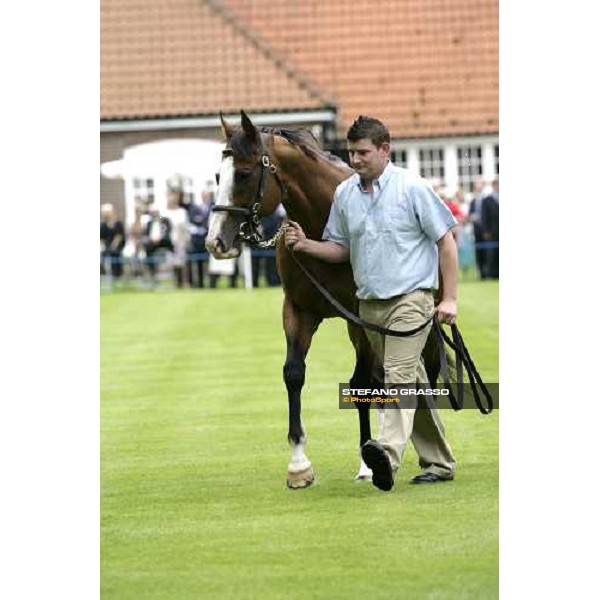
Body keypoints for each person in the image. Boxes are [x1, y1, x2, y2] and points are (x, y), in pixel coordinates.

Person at [285, 115, 458, 491]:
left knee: (396, 377)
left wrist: (450, 299)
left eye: (363, 152)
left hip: (411, 299)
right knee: (413, 381)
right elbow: (340, 248)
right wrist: (305, 245)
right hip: (370, 307)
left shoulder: (411, 187)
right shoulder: (346, 195)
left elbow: (446, 241)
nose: (356, 160)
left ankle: (386, 454)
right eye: (351, 153)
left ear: (384, 149)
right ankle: (440, 462)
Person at [100, 203, 125, 280]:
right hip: (107, 247)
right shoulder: (103, 225)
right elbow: (101, 238)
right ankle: (105, 274)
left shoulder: (118, 224)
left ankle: (118, 275)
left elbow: (119, 237)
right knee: (105, 254)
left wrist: (113, 246)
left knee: (114, 254)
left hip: (118, 247)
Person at [468, 180, 488, 279]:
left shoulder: (488, 199)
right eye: (476, 187)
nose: (478, 189)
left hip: (486, 231)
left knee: (487, 253)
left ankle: (487, 273)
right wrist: (472, 217)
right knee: (478, 253)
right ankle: (481, 274)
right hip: (476, 230)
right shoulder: (472, 201)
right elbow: (469, 214)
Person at [481, 179, 499, 279]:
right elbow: (484, 217)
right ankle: (490, 274)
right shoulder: (487, 200)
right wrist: (485, 231)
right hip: (492, 231)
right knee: (491, 253)